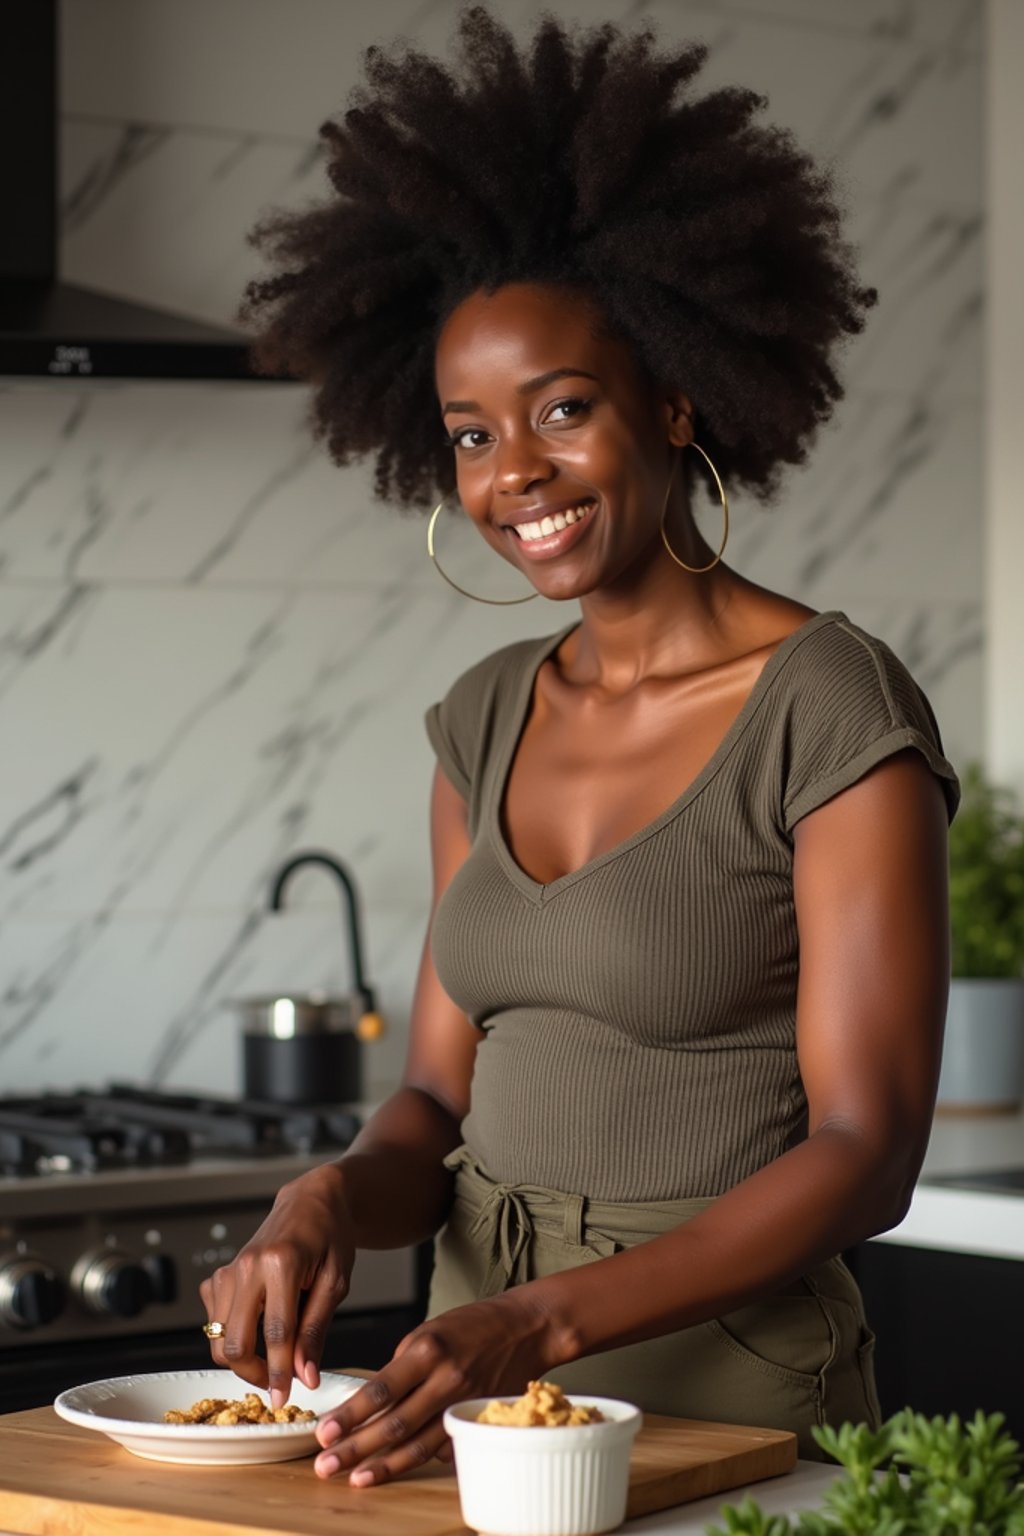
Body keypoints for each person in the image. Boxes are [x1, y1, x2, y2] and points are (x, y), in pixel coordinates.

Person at [201, 7, 959, 1487]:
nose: (517, 476)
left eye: (563, 409)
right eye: (471, 433)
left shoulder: (829, 707)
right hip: (471, 1405)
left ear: (674, 398)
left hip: (731, 1400)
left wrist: (542, 1322)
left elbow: (868, 1150)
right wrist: (328, 1199)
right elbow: (433, 1100)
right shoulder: (485, 716)